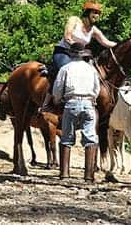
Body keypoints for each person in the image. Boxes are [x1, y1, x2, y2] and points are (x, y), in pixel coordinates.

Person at [41, 1, 117, 112]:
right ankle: (47, 103)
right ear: (87, 13)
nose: (96, 15)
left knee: (93, 73)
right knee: (64, 71)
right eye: (94, 12)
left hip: (78, 56)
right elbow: (67, 37)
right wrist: (78, 48)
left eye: (98, 13)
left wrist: (126, 44)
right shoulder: (74, 20)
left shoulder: (93, 30)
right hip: (63, 52)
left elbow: (106, 42)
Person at [52, 45, 100, 181]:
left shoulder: (65, 68)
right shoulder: (91, 69)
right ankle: (89, 176)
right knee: (90, 138)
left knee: (66, 137)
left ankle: (64, 174)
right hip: (89, 103)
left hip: (71, 103)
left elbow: (58, 88)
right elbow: (97, 89)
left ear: (70, 54)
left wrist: (57, 99)